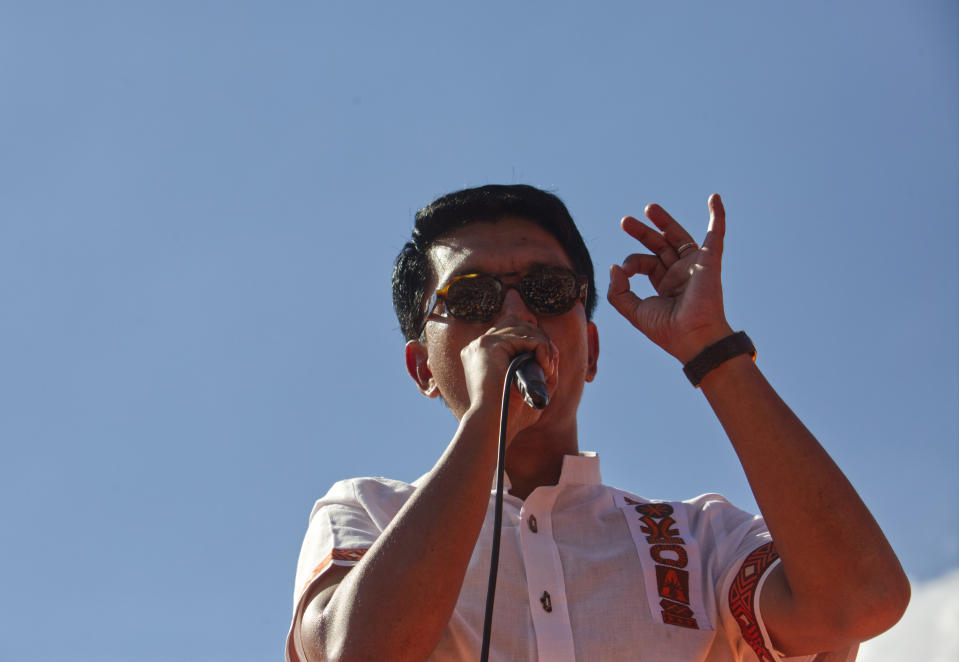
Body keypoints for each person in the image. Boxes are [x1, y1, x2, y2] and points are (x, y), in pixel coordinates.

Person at [285, 185, 909, 661]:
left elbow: (862, 600)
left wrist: (711, 348)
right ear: (422, 367)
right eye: (471, 297)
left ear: (592, 348)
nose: (515, 311)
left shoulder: (700, 540)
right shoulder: (368, 512)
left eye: (549, 289)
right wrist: (485, 423)